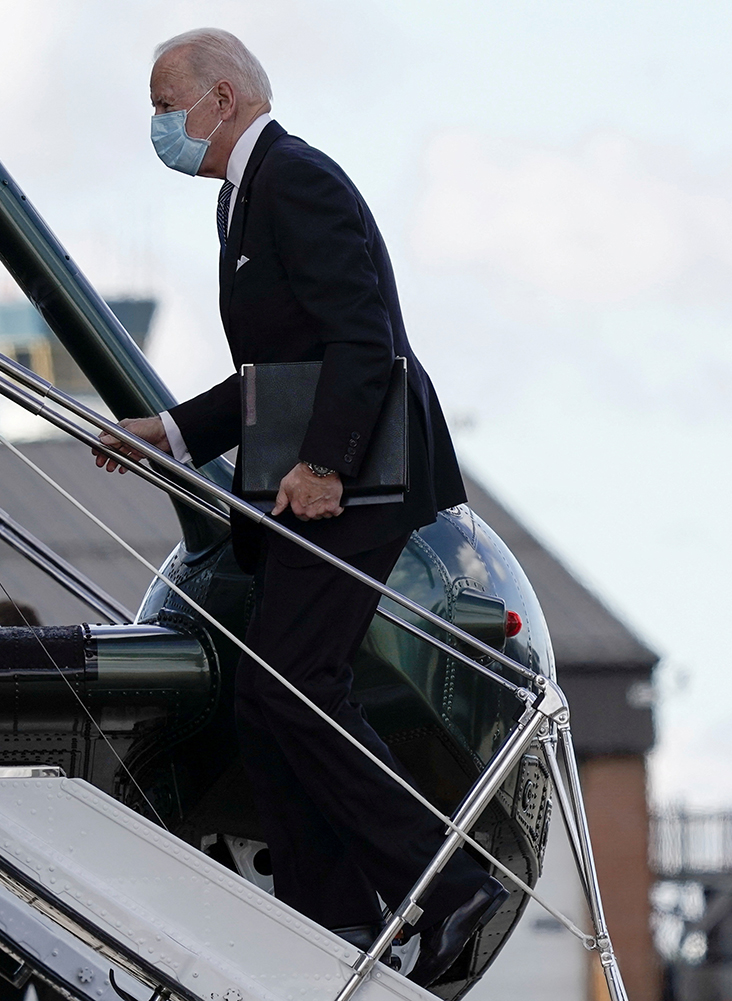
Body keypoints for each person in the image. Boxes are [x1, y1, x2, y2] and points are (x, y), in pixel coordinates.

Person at [93, 28, 507, 987]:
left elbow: (363, 338)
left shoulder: (295, 179)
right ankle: (333, 917)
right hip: (320, 478)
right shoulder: (244, 198)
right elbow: (273, 374)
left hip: (358, 479)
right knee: (264, 697)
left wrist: (324, 464)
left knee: (295, 680)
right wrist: (168, 430)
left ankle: (450, 885)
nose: (158, 126)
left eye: (165, 106)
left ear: (223, 99)